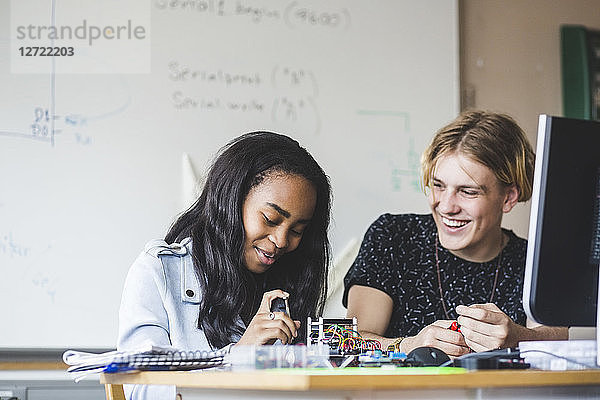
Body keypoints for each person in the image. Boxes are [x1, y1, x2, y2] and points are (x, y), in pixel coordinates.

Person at [118, 131, 331, 399]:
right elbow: (141, 391)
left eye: (298, 230)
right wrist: (239, 356)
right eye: (271, 218)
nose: (281, 241)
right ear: (231, 201)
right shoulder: (158, 272)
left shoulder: (289, 281)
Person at [343, 111, 567, 357]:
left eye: (468, 192)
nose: (446, 206)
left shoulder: (536, 261)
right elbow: (352, 342)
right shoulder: (392, 236)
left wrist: (518, 337)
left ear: (508, 197)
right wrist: (409, 345)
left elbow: (556, 344)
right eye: (438, 185)